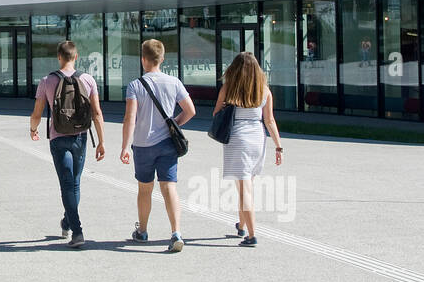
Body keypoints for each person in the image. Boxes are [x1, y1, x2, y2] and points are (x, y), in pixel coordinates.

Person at [121, 39, 196, 252]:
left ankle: (142, 231)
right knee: (169, 186)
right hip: (167, 144)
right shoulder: (174, 82)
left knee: (145, 189)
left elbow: (130, 118)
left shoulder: (135, 85)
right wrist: (174, 125)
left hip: (143, 146)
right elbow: (190, 111)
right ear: (162, 59)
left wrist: (126, 146)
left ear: (143, 60)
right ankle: (176, 233)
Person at [29, 40, 106, 249]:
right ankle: (67, 221)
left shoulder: (47, 81)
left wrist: (33, 129)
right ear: (76, 57)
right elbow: (97, 113)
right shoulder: (88, 79)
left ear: (59, 57)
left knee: (67, 184)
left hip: (58, 136)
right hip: (81, 136)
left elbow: (37, 112)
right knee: (75, 183)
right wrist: (101, 142)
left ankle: (77, 230)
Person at [213, 52, 283, 247]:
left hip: (238, 138)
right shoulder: (265, 91)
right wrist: (279, 146)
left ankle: (251, 235)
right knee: (245, 185)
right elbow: (269, 120)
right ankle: (241, 225)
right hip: (257, 138)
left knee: (244, 189)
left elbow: (216, 113)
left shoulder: (229, 88)